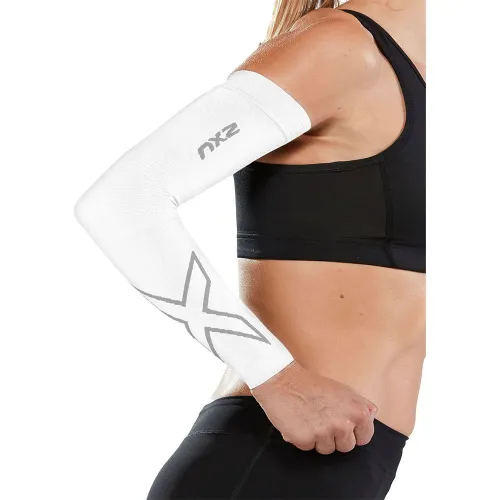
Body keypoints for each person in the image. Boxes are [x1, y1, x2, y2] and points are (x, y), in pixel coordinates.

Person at [74, 0, 425, 497]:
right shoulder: (341, 49)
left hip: (359, 462)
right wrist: (276, 377)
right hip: (268, 460)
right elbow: (125, 201)